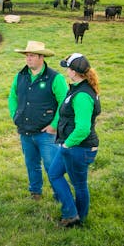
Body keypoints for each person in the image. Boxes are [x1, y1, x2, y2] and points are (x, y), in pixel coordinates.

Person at [8, 41, 69, 200]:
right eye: (27, 56)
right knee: (31, 164)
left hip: (46, 133)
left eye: (32, 56)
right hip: (25, 131)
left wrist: (55, 125)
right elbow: (12, 97)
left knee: (52, 166)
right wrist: (15, 116)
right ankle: (35, 192)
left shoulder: (56, 78)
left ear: (41, 57)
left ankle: (60, 196)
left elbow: (65, 103)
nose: (28, 59)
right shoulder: (20, 76)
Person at [48, 53, 102, 227]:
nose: (66, 70)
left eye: (67, 67)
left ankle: (78, 219)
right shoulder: (78, 87)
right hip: (71, 146)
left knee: (79, 184)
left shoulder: (82, 96)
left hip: (79, 148)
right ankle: (72, 213)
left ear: (74, 71)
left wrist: (66, 145)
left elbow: (83, 128)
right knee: (54, 174)